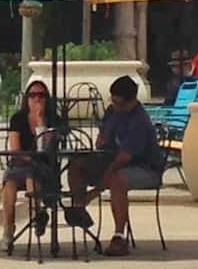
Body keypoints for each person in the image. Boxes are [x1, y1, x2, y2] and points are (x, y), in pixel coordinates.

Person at [66, 74, 163, 258]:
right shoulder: (112, 112)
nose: (115, 106)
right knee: (77, 164)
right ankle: (79, 207)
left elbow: (123, 158)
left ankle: (119, 236)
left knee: (117, 179)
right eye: (113, 101)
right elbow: (103, 140)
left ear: (131, 101)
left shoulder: (139, 121)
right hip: (112, 160)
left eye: (119, 103)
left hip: (144, 168)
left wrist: (98, 188)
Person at [0, 78, 59, 252]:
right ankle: (8, 229)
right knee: (10, 185)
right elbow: (15, 148)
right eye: (32, 95)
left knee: (31, 176)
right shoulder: (18, 119)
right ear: (27, 98)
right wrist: (30, 159)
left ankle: (37, 214)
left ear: (47, 98)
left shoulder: (53, 119)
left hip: (43, 167)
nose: (37, 99)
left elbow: (47, 147)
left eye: (41, 95)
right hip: (20, 163)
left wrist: (41, 121)